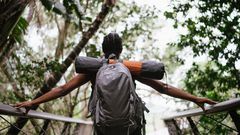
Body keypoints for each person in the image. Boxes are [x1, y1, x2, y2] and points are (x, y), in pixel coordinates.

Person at [14, 33, 216, 134]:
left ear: (102, 50)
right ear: (120, 50)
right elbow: (163, 87)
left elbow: (63, 89)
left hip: (104, 126)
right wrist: (196, 99)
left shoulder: (94, 70)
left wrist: (33, 102)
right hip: (131, 125)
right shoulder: (130, 68)